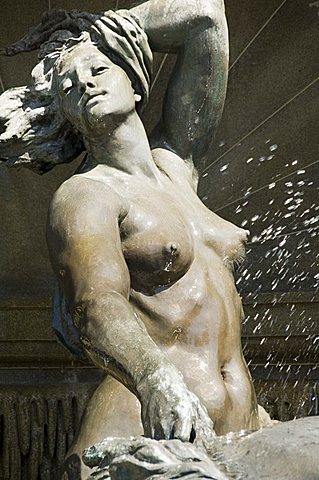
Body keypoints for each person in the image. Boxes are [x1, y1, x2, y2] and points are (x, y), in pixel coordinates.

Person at [0, 1, 267, 477]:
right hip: (147, 428)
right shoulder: (85, 195)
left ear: (133, 76)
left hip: (242, 426)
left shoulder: (176, 168)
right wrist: (154, 379)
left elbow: (205, 16)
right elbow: (95, 304)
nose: (85, 81)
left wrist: (126, 26)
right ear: (64, 115)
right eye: (68, 85)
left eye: (99, 67)